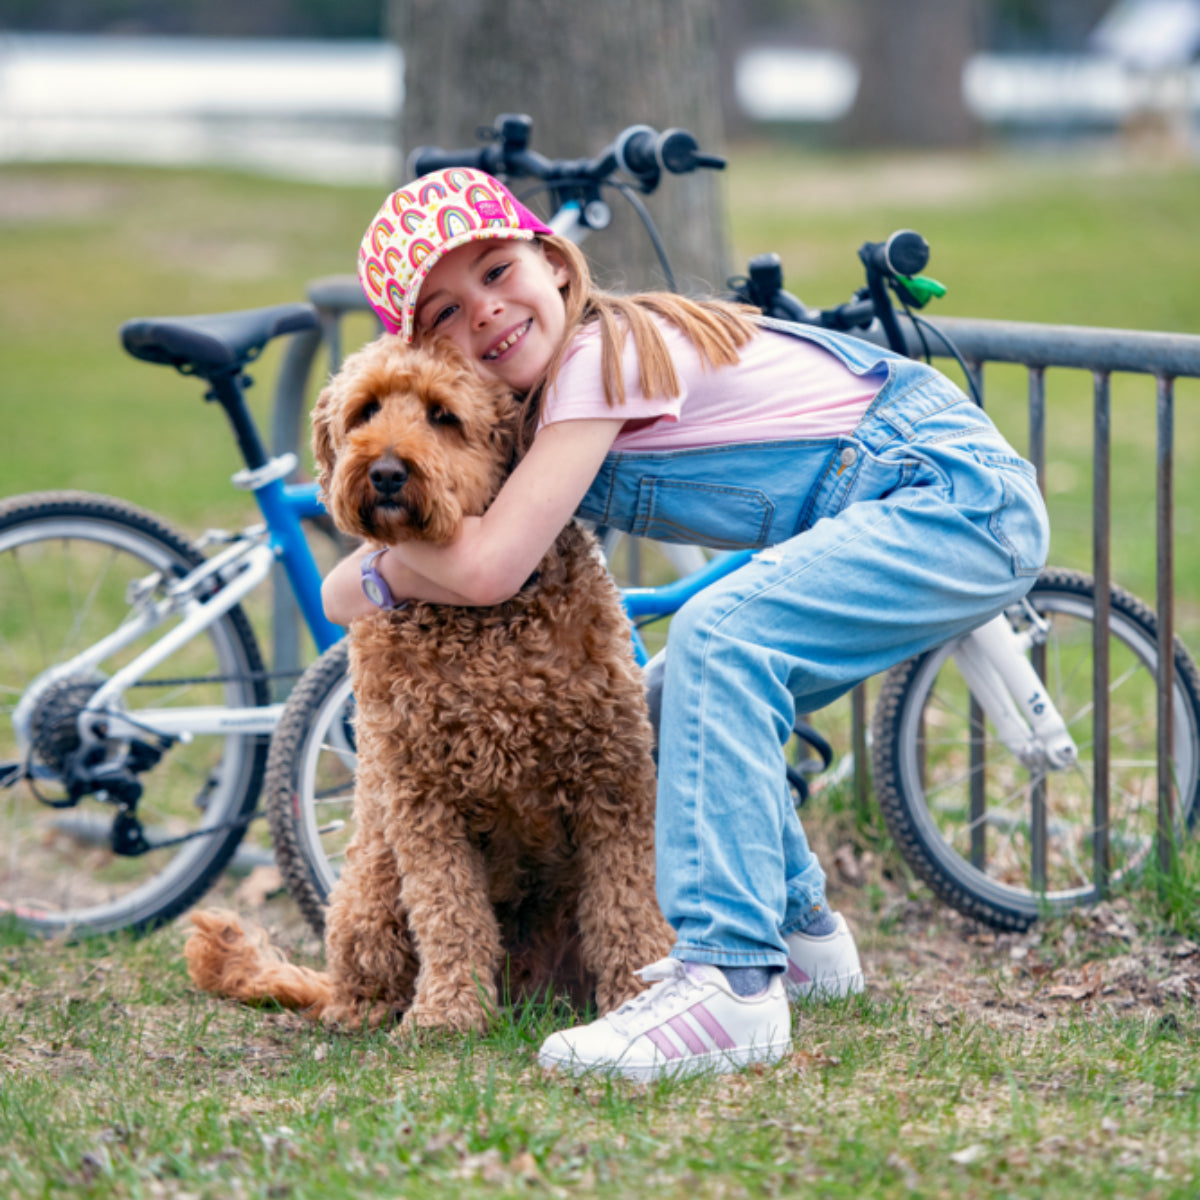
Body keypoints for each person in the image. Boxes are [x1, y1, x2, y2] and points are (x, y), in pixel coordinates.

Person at [321, 167, 1050, 1080]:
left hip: (950, 492)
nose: (485, 314)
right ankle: (805, 942)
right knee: (671, 701)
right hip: (900, 496)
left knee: (718, 636)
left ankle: (730, 985)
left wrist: (365, 576)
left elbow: (491, 564)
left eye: (498, 273)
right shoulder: (534, 406)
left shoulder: (598, 358)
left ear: (552, 260)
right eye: (444, 311)